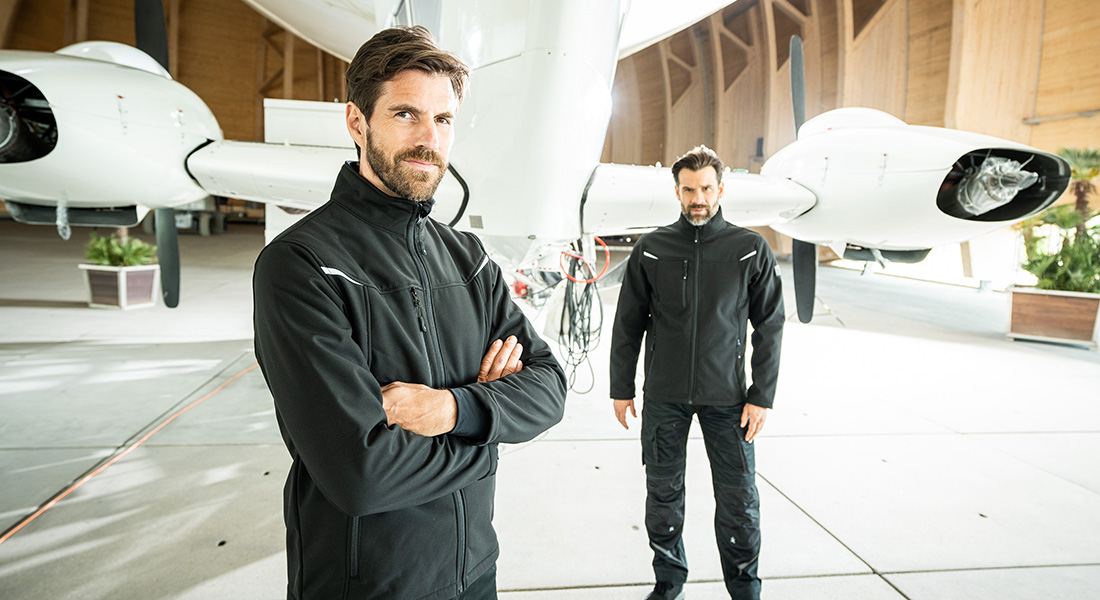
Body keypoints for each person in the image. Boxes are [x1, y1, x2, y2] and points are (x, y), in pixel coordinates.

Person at [253, 26, 567, 600]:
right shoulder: (302, 264)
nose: (429, 139)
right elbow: (363, 475)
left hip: (476, 574)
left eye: (443, 119)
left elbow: (550, 389)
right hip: (368, 587)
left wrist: (451, 408)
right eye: (405, 114)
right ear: (357, 122)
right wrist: (491, 431)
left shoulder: (468, 258)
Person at [609, 146, 784, 600]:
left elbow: (770, 325)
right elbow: (628, 322)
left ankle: (745, 590)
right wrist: (621, 388)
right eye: (689, 190)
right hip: (664, 396)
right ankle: (669, 584)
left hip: (729, 399)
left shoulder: (749, 249)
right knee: (663, 497)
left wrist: (761, 395)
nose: (698, 198)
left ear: (720, 189)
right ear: (677, 192)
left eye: (706, 188)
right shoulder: (652, 249)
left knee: (739, 500)